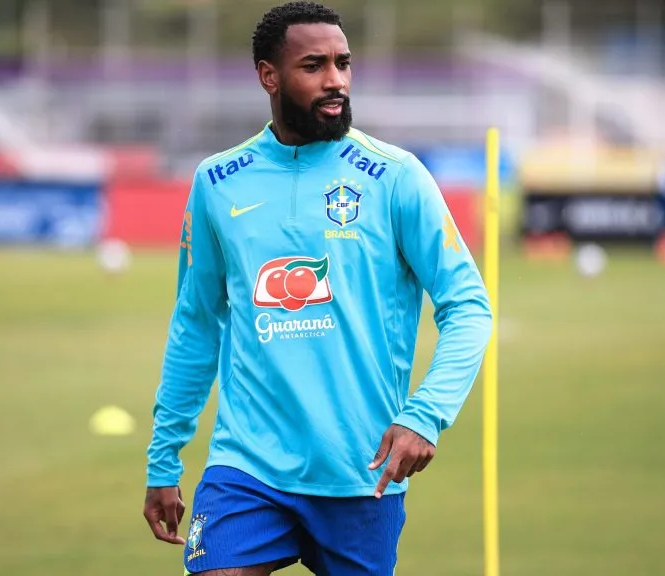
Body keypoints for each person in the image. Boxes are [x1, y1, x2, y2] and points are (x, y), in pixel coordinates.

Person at [141, 2, 493, 575]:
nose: (335, 80)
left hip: (361, 468)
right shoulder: (216, 182)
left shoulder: (396, 176)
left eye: (343, 63)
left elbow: (469, 307)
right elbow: (196, 325)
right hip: (247, 465)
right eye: (314, 65)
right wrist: (164, 460)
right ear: (268, 75)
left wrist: (425, 415)